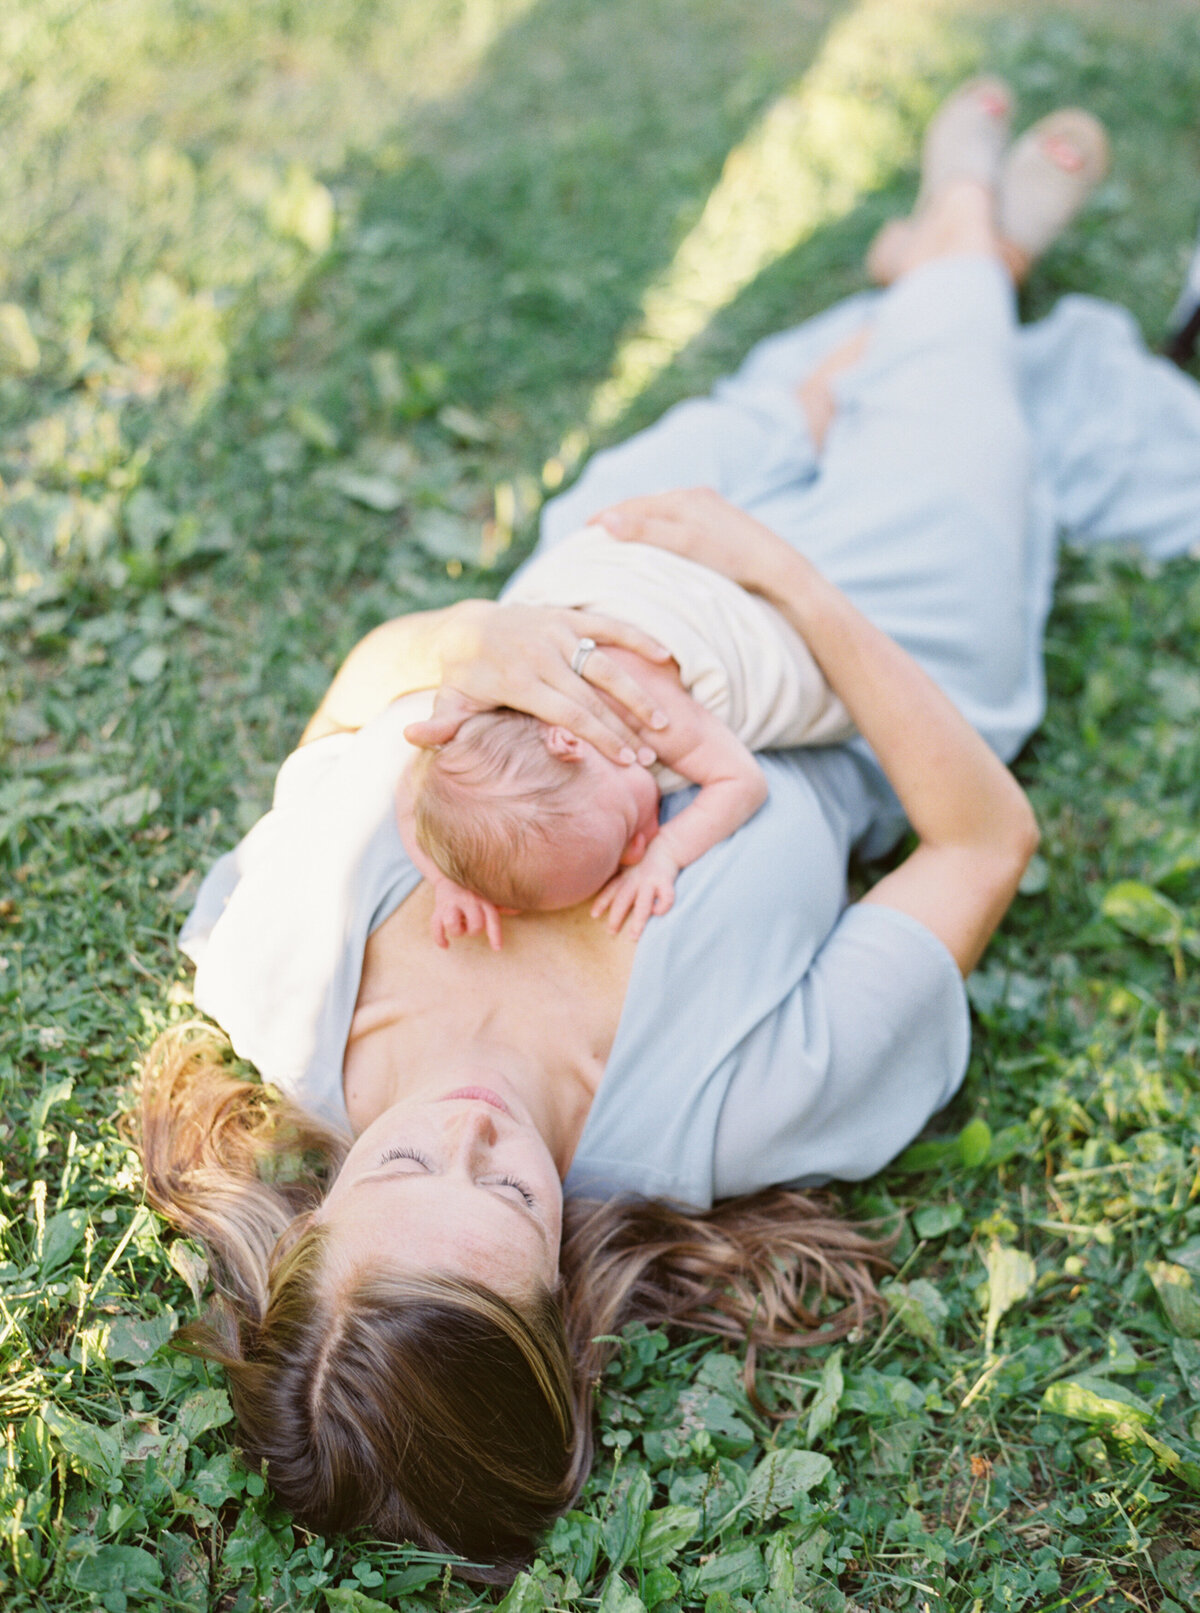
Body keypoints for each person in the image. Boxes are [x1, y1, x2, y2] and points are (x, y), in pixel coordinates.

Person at [136, 78, 1200, 1580]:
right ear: (564, 1287)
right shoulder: (726, 1113)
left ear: (309, 1221)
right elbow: (980, 845)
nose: (474, 1127)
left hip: (624, 582)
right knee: (945, 391)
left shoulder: (279, 968)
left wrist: (480, 644)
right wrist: (804, 592)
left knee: (792, 401)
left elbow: (372, 692)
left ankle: (939, 294)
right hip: (872, 656)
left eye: (399, 1171)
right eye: (510, 1194)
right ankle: (966, 237)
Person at [398, 521, 853, 947]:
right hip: (609, 565)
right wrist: (447, 880)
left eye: (625, 830)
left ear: (570, 743)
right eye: (623, 862)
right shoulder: (476, 756)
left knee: (827, 691)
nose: (637, 852)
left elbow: (742, 781)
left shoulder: (641, 708)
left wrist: (667, 854)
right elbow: (413, 802)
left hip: (697, 601)